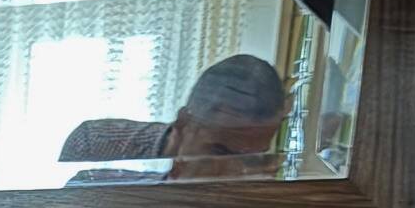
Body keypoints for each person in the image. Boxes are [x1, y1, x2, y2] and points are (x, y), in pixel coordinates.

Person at [60, 54, 286, 182]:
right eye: (220, 151)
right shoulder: (95, 141)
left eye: (252, 158)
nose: (233, 172)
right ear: (184, 123)